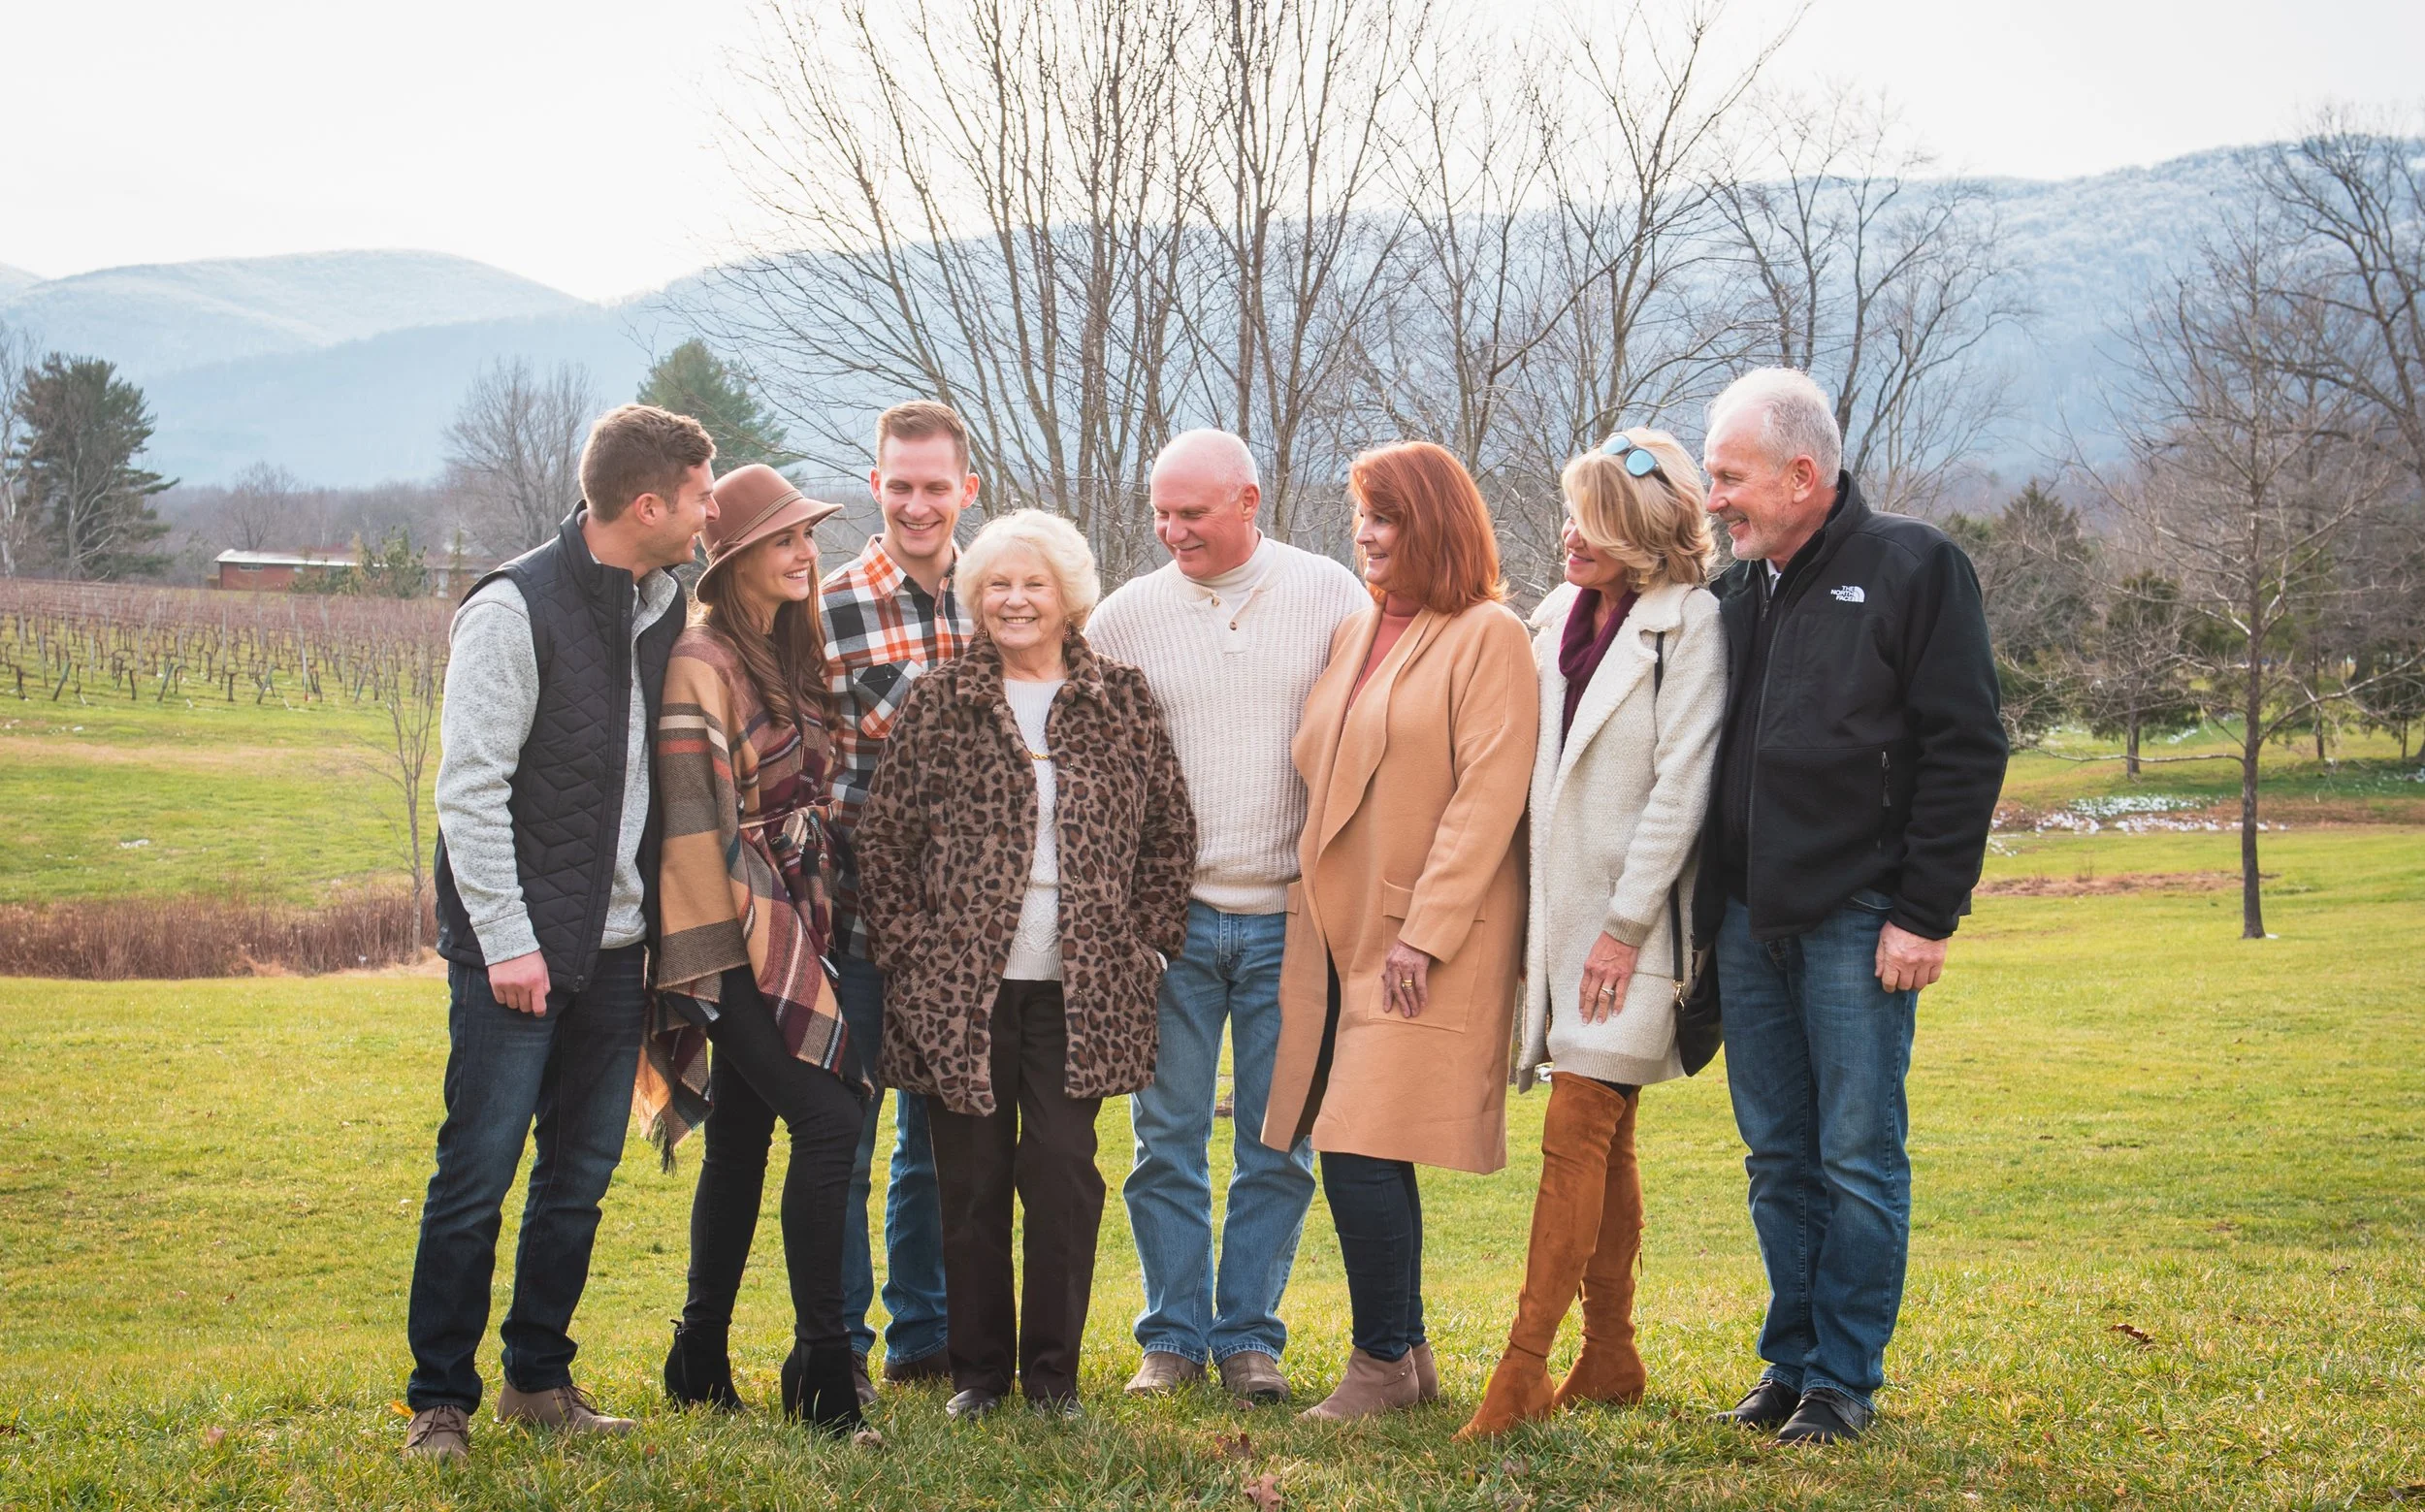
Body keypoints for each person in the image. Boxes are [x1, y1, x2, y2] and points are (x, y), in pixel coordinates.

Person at [1695, 368, 2007, 1445]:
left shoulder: (1914, 566)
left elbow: (1967, 746)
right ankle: (1789, 1360)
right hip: (1747, 918)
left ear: (1800, 473)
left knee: (1856, 1153)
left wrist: (1926, 911)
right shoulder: (1736, 590)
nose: (1712, 496)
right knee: (1776, 1155)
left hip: (1857, 913)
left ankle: (1844, 1374)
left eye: (1726, 475)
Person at [404, 404, 718, 1462]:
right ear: (647, 504)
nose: (707, 510)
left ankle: (538, 1376)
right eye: (698, 493)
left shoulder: (668, 604)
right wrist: (506, 941)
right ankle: (439, 1396)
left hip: (621, 951)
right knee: (475, 1175)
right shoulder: (512, 607)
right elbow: (470, 788)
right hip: (517, 957)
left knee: (578, 1177)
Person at [856, 509, 1197, 1419]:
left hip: (1082, 986)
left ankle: (1052, 1378)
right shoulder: (940, 700)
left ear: (1068, 598)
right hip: (958, 989)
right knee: (966, 1183)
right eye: (998, 585)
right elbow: (884, 839)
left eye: (1033, 584)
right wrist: (906, 951)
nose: (1014, 599)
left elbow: (1168, 829)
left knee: (1060, 1170)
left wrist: (1148, 940)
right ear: (977, 598)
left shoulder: (1120, 698)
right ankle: (977, 1376)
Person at [1087, 431, 1370, 1405]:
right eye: (1160, 512)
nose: (1171, 530)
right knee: (1163, 1137)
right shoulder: (1124, 617)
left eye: (1192, 513)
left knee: (1276, 1139)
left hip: (1292, 920)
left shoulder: (1331, 592)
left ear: (1248, 499)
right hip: (1169, 925)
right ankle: (1170, 1338)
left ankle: (1249, 1336)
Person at [1259, 441, 1538, 1422]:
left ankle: (1377, 1360)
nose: (1367, 537)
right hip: (1334, 937)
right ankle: (1408, 1352)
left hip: (1421, 939)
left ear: (1435, 523)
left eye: (1385, 517)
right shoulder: (1358, 630)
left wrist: (1426, 931)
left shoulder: (1485, 635)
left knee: (1359, 1140)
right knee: (1355, 1137)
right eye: (1361, 518)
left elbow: (1487, 795)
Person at [1457, 430, 1726, 1439]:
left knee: (1576, 1134)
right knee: (1603, 1146)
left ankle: (1522, 1365)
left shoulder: (1687, 624)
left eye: (1596, 518)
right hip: (1551, 927)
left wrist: (1623, 928)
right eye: (1572, 512)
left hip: (1634, 929)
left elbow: (1681, 787)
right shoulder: (1553, 613)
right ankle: (1610, 1351)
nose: (1572, 534)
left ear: (1645, 530)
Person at [638, 464, 869, 1437]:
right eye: (783, 540)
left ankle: (697, 1355)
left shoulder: (779, 647)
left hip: (791, 911)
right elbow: (695, 831)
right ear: (733, 558)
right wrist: (722, 973)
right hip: (726, 927)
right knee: (829, 1115)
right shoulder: (703, 658)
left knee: (741, 1135)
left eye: (807, 537)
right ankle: (823, 1371)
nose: (805, 554)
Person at [820, 401, 974, 1400]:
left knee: (940, 1140)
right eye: (900, 484)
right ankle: (839, 1339)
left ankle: (928, 1335)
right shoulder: (825, 608)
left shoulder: (1001, 599)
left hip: (967, 932)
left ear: (967, 490)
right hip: (855, 918)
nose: (918, 504)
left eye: (936, 486)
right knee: (847, 1135)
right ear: (875, 485)